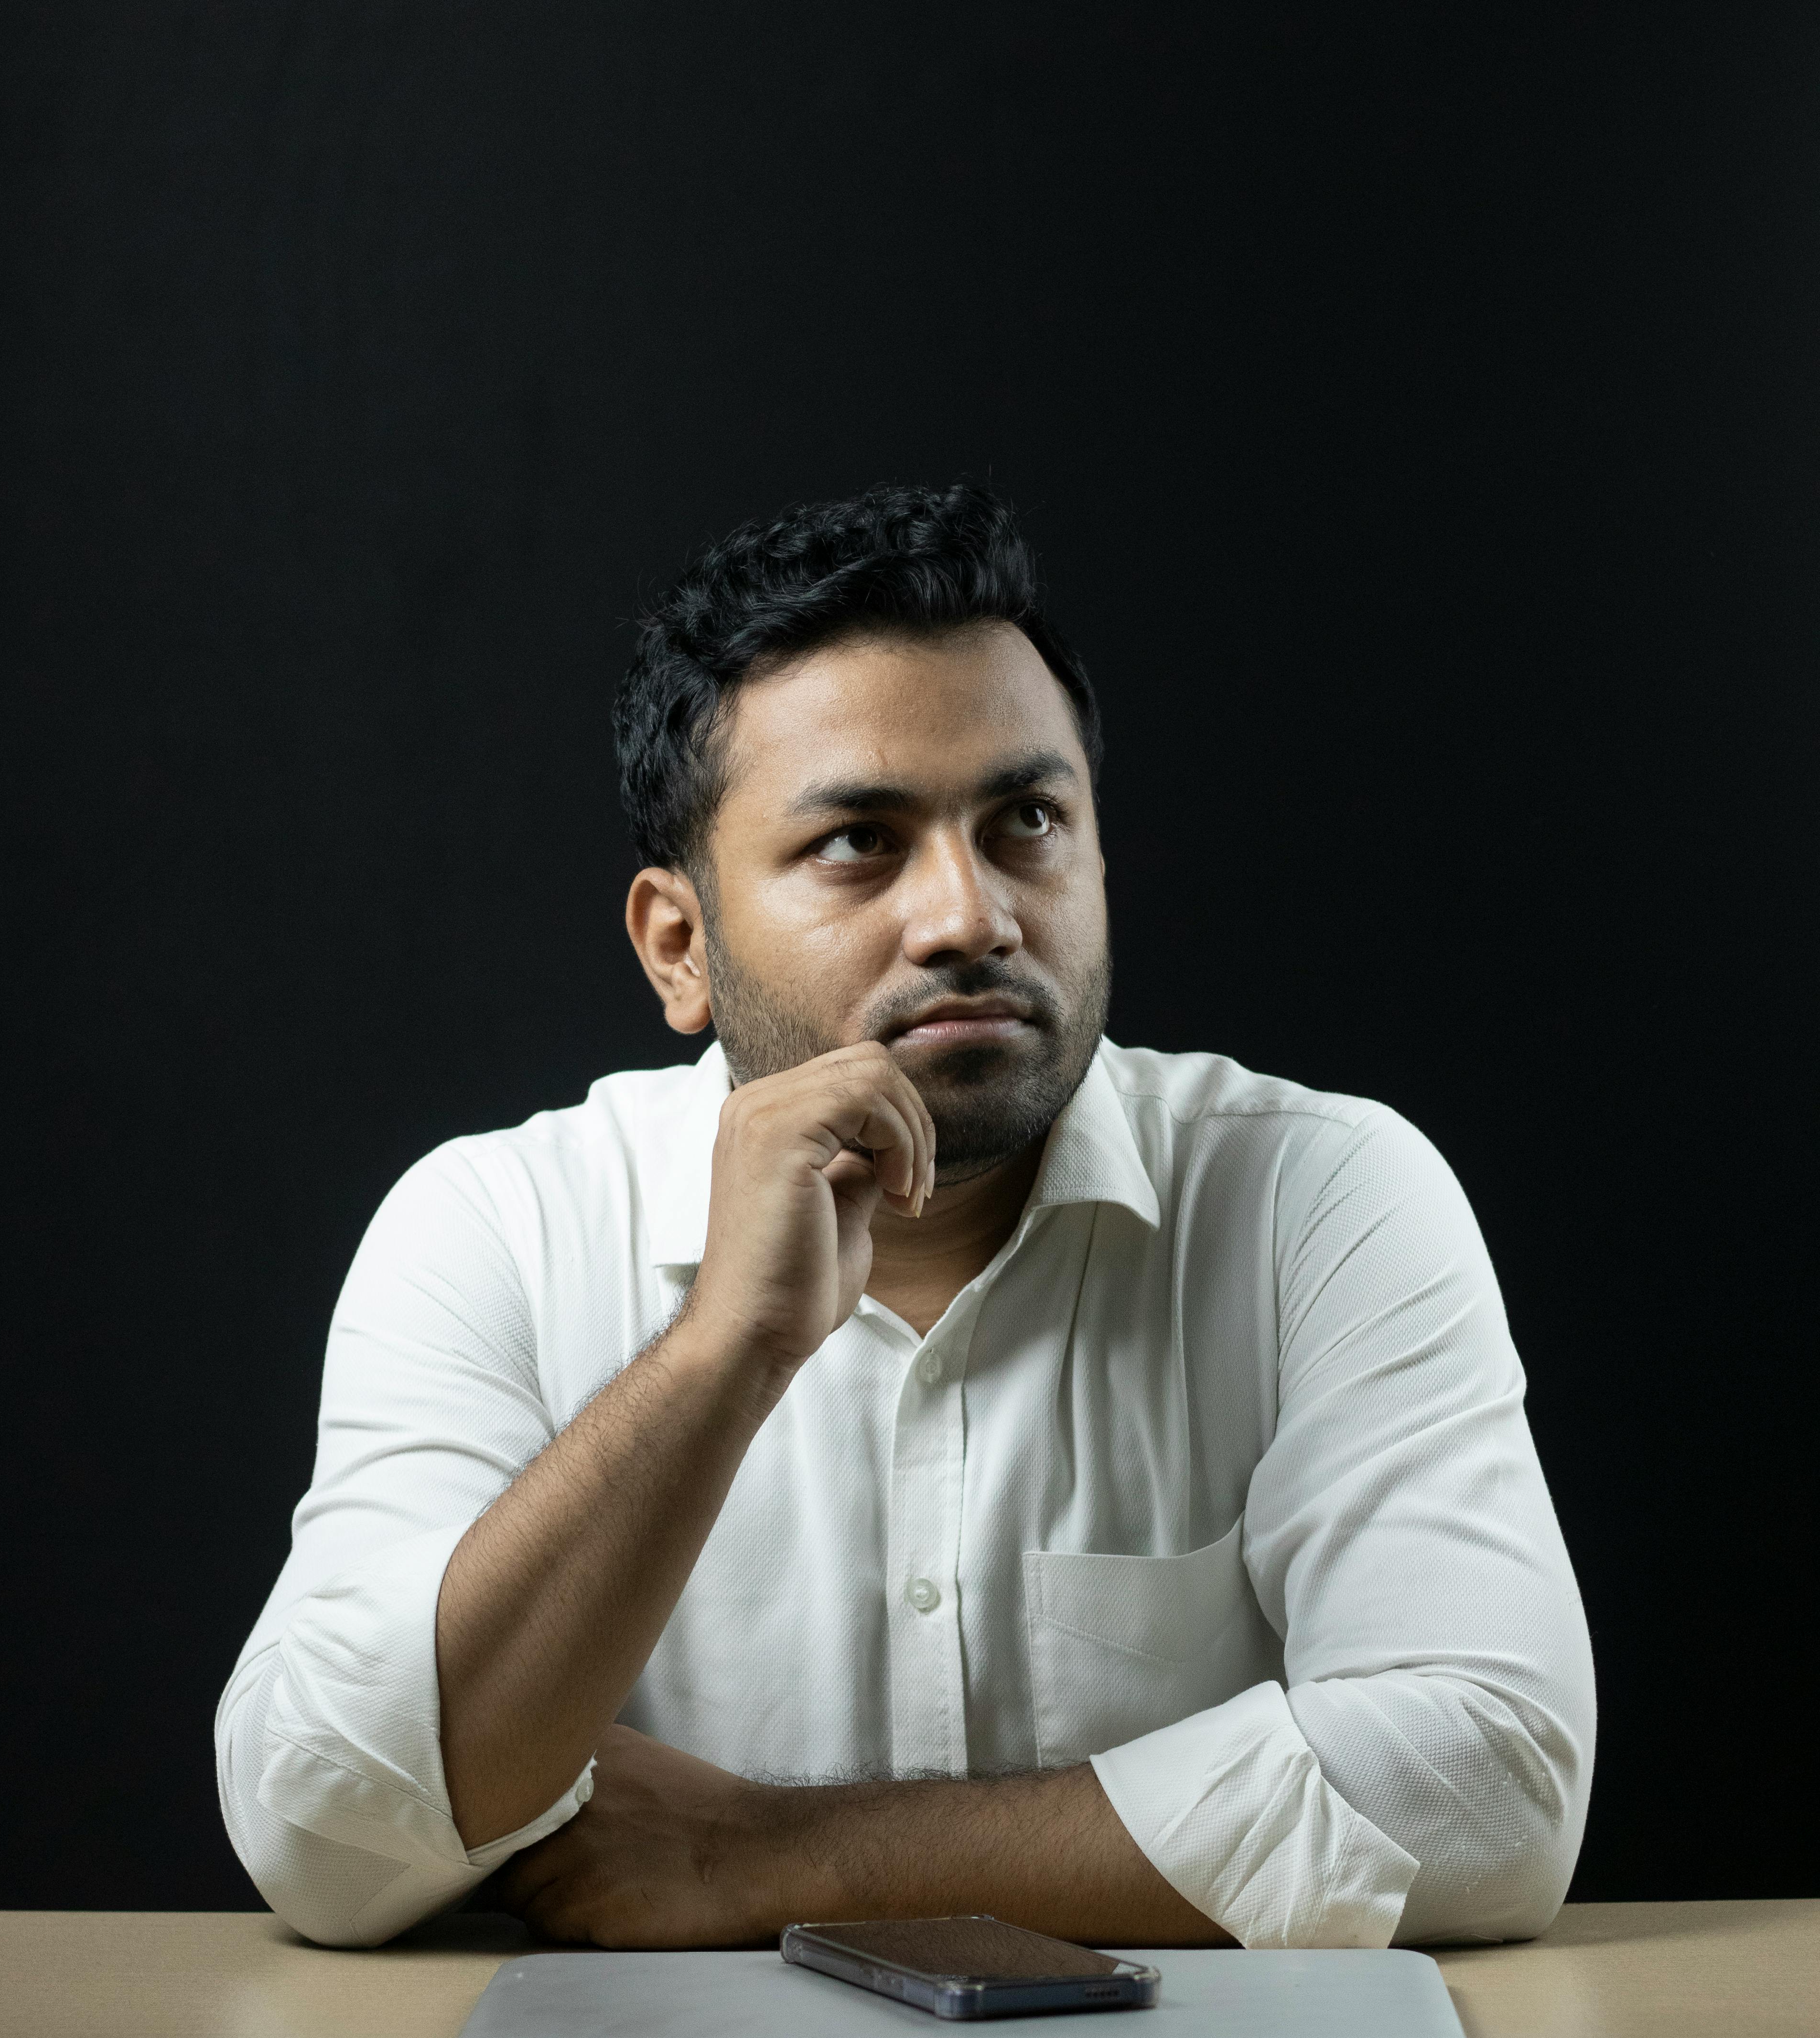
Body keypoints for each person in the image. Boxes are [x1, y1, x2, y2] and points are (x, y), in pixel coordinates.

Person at [216, 483, 1594, 1952]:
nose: (970, 917)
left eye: (1028, 823)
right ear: (680, 947)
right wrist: (719, 1355)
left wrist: (768, 1857)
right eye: (860, 844)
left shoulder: (1319, 1198)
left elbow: (1492, 1780)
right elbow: (324, 1833)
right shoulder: (493, 1228)